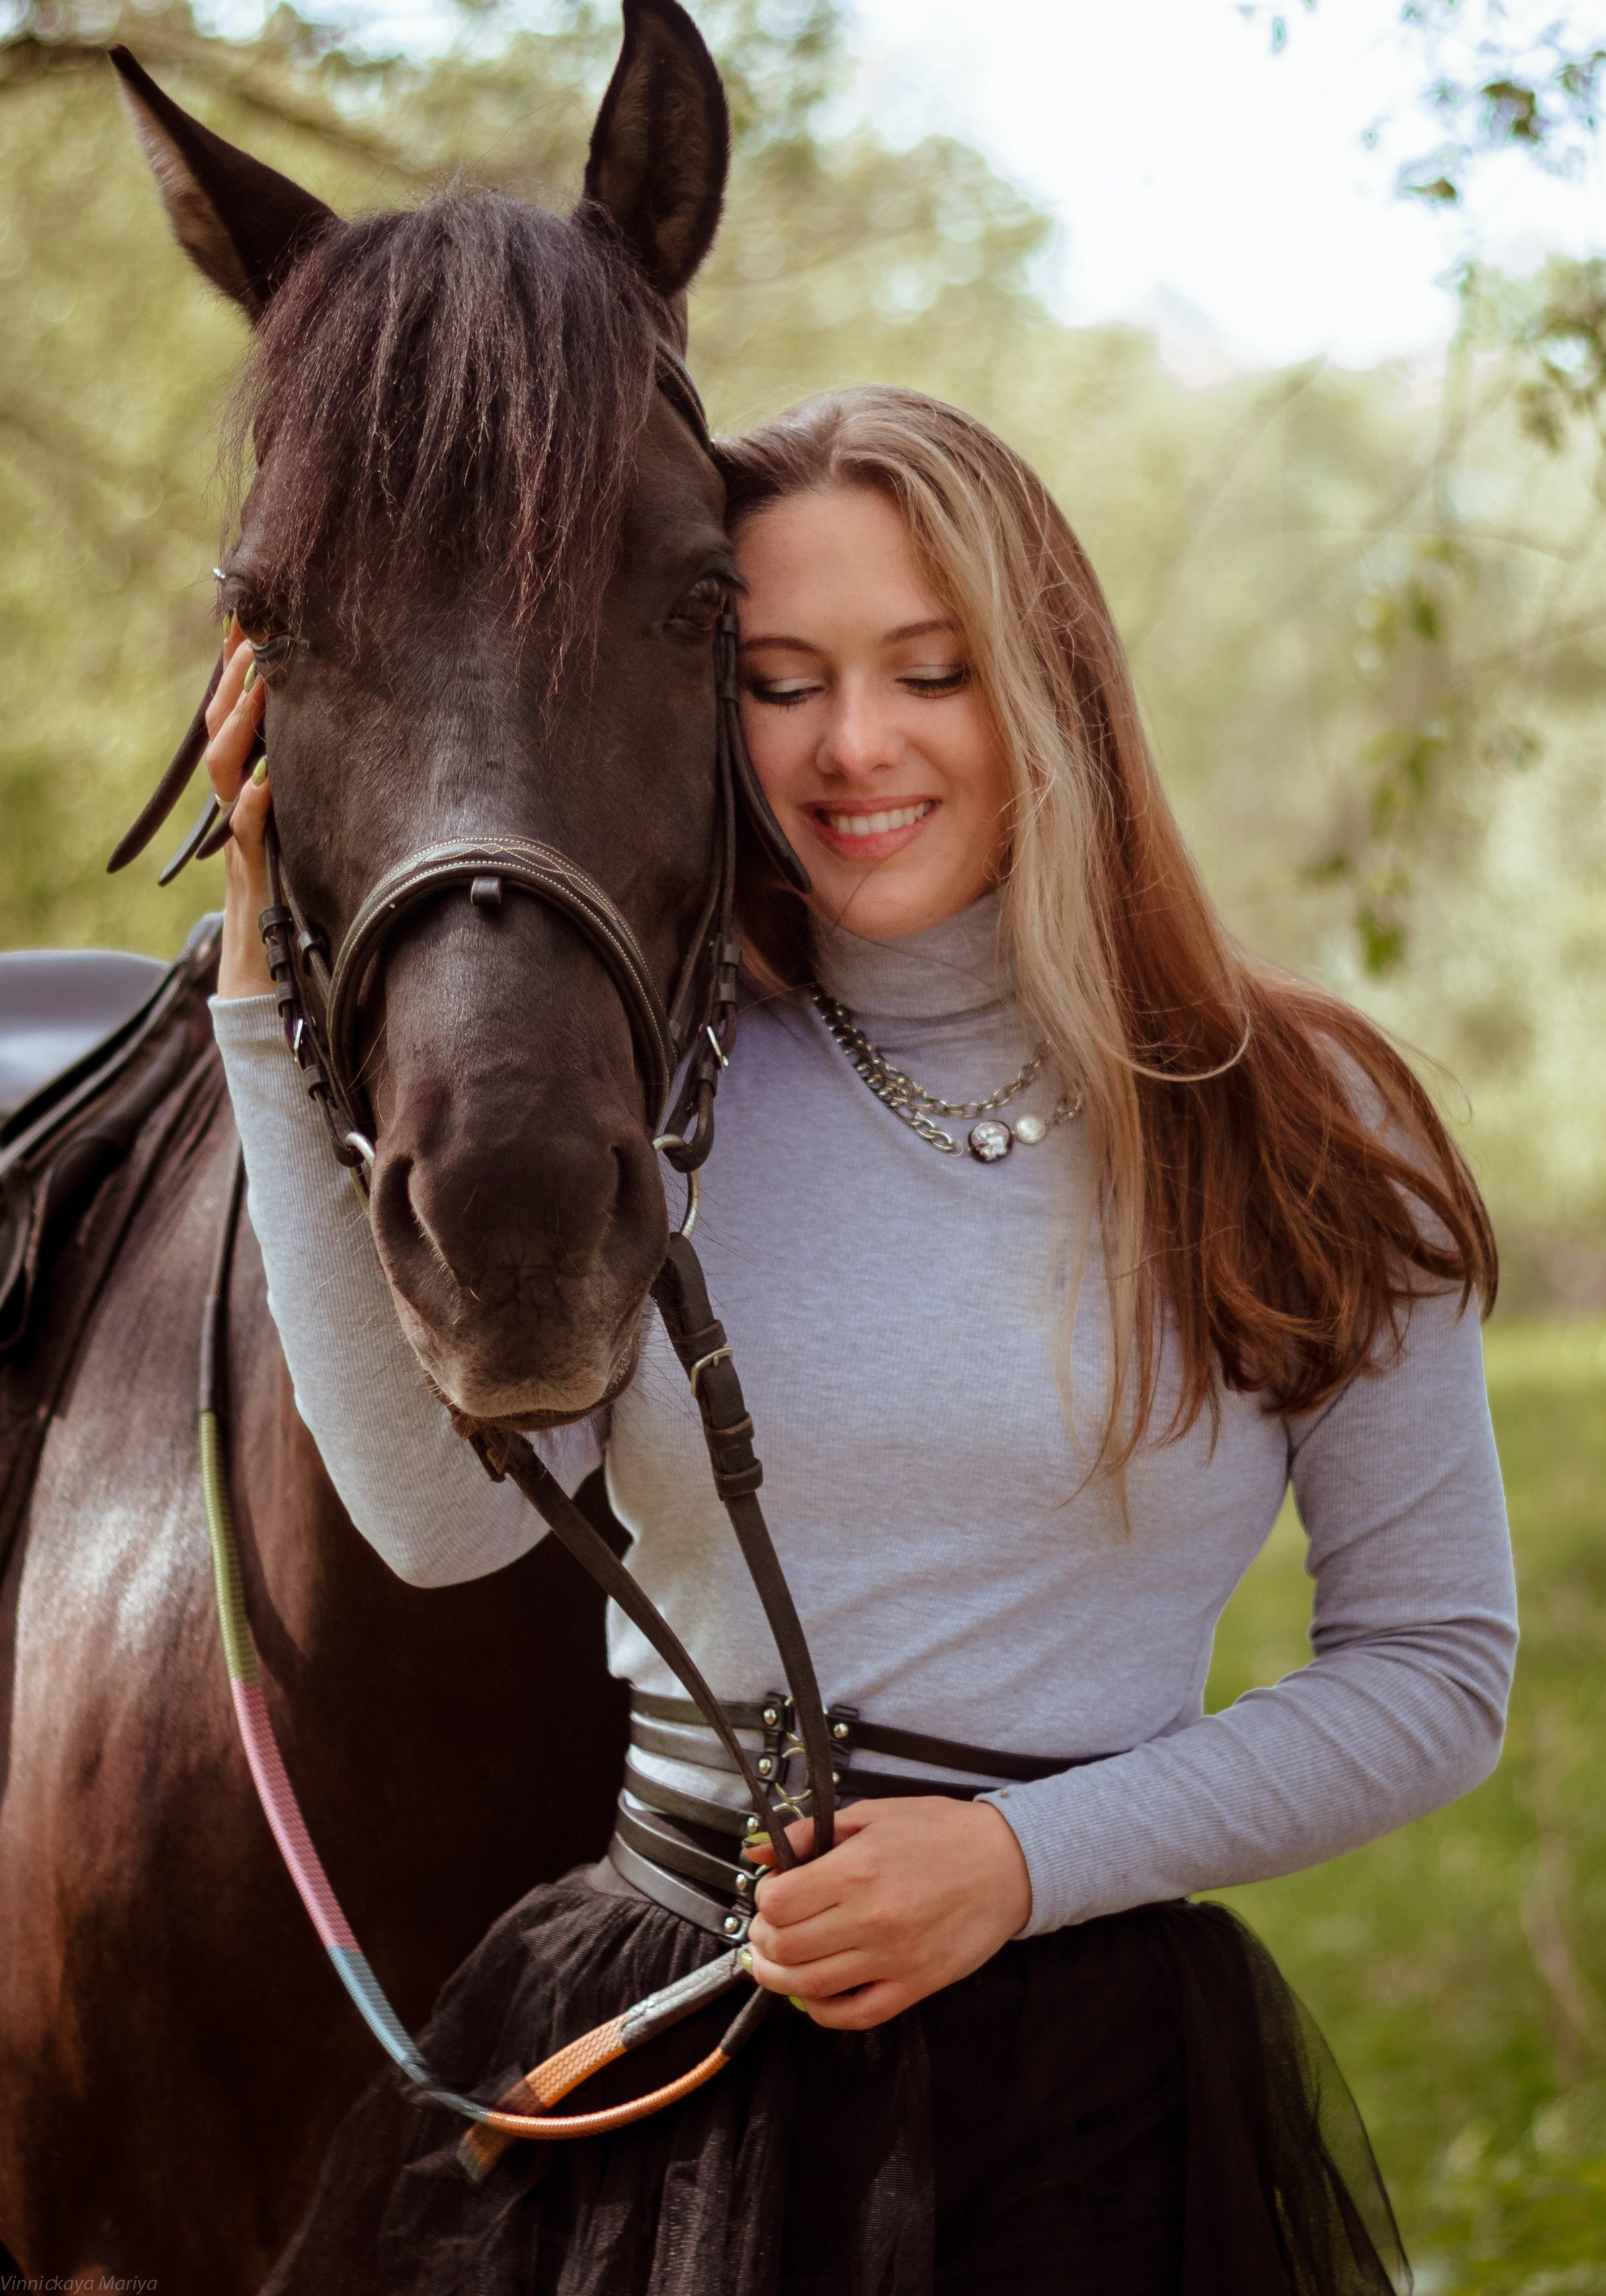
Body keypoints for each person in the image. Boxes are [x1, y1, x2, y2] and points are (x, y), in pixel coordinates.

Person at [208, 385, 1515, 2295]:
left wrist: (1017, 1864)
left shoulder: (1293, 1112)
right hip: (663, 2040)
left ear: (1052, 688)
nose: (853, 745)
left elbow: (1437, 1668)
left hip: (1090, 2084)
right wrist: (262, 1010)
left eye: (931, 668)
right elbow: (449, 1527)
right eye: (783, 676)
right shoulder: (655, 1094)